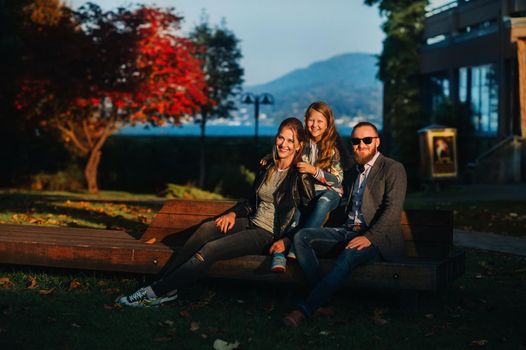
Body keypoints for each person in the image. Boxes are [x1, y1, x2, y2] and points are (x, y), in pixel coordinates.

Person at [117, 117, 314, 308]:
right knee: (206, 228)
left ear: (299, 145)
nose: (284, 144)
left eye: (291, 140)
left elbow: (309, 215)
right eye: (281, 137)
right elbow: (250, 202)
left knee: (210, 249)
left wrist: (287, 240)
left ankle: (154, 293)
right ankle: (163, 286)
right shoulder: (267, 166)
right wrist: (233, 214)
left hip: (267, 234)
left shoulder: (299, 176)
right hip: (252, 221)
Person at [282, 121, 407, 327]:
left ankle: (303, 310)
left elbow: (392, 212)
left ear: (377, 142)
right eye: (356, 141)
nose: (361, 145)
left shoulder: (393, 169)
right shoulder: (352, 173)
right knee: (302, 237)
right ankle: (324, 301)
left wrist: (368, 238)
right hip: (347, 231)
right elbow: (331, 188)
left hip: (377, 240)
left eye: (367, 140)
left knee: (348, 254)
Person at [270, 101, 346, 273]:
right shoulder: (301, 142)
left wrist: (314, 171)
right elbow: (285, 150)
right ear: (306, 119)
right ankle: (280, 255)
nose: (315, 125)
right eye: (312, 120)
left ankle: (297, 245)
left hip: (330, 193)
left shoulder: (332, 148)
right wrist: (269, 157)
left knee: (324, 202)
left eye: (320, 121)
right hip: (305, 193)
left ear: (327, 124)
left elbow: (338, 180)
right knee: (294, 214)